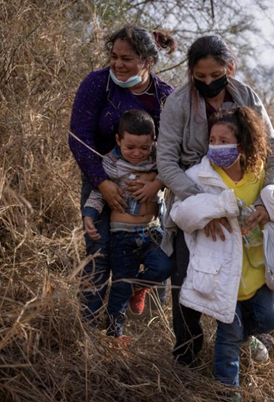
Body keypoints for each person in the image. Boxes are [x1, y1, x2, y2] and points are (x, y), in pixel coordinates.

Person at [157, 35, 274, 367]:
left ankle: (244, 338)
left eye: (216, 75)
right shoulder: (178, 103)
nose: (209, 83)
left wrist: (265, 202)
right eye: (200, 77)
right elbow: (167, 163)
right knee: (186, 280)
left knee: (248, 277)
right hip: (192, 200)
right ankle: (186, 354)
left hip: (245, 206)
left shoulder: (247, 97)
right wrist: (206, 208)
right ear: (190, 73)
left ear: (230, 67)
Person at [169, 107, 274, 391]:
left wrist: (267, 209)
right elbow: (180, 214)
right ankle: (226, 390)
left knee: (271, 317)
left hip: (255, 268)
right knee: (228, 336)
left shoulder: (257, 175)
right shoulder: (199, 176)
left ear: (241, 145)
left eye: (223, 141)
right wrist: (216, 208)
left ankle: (251, 336)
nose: (215, 146)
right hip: (221, 271)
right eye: (212, 140)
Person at [69, 25, 175, 326]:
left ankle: (151, 331)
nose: (117, 64)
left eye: (126, 58)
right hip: (101, 181)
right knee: (99, 254)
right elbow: (79, 136)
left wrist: (156, 182)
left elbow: (176, 149)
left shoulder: (165, 97)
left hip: (150, 190)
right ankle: (90, 327)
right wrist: (102, 184)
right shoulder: (97, 84)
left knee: (157, 255)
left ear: (147, 61)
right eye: (114, 56)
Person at [82, 110, 172, 338]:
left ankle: (139, 286)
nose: (137, 153)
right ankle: (115, 334)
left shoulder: (160, 159)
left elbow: (174, 170)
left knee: (166, 265)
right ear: (118, 140)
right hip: (122, 236)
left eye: (144, 147)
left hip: (152, 231)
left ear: (153, 141)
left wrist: (155, 181)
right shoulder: (111, 165)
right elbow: (97, 193)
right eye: (130, 147)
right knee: (120, 289)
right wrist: (89, 215)